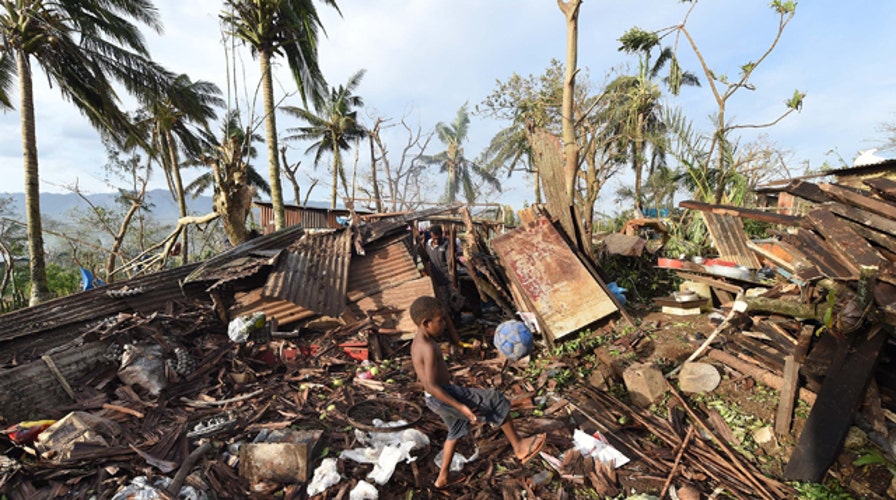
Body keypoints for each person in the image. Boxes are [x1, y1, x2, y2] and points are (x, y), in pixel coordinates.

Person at [410, 296, 546, 489]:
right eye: (440, 320)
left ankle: (442, 478)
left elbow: (429, 385)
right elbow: (433, 385)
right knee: (496, 400)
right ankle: (519, 447)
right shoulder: (429, 348)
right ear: (426, 323)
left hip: (434, 398)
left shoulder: (418, 342)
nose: (444, 324)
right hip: (444, 396)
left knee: (455, 431)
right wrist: (461, 406)